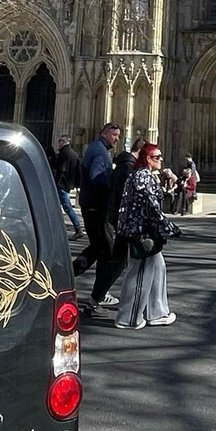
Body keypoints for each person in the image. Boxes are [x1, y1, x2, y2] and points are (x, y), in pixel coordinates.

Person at [114, 143, 181, 329]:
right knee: (139, 274)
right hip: (142, 234)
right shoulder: (142, 177)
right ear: (147, 158)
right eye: (156, 156)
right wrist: (169, 227)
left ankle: (157, 312)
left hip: (142, 231)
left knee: (158, 268)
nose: (160, 159)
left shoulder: (140, 176)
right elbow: (151, 207)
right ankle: (129, 318)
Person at [73, 122, 122, 311]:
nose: (116, 138)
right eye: (114, 134)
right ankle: (100, 294)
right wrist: (111, 188)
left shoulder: (96, 148)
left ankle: (70, 273)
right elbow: (97, 177)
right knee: (106, 249)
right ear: (104, 133)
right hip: (96, 207)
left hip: (90, 205)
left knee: (99, 247)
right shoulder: (100, 152)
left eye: (118, 135)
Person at [53, 134, 83, 240]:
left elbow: (62, 170)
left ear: (64, 142)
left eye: (60, 141)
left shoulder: (64, 154)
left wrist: (57, 181)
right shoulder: (73, 154)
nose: (58, 143)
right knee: (57, 205)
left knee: (66, 207)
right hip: (67, 183)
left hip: (61, 183)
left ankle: (78, 229)